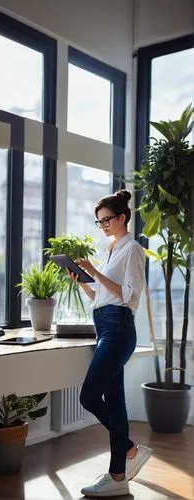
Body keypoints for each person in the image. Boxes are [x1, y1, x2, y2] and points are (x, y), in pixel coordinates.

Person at [67, 190, 152, 498]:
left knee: (89, 396)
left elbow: (128, 295)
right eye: (98, 221)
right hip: (103, 325)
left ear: (122, 218)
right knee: (114, 402)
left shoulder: (133, 249)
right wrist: (85, 283)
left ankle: (129, 450)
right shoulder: (111, 248)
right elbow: (102, 298)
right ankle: (119, 476)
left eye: (106, 220)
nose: (101, 225)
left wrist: (95, 272)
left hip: (118, 329)